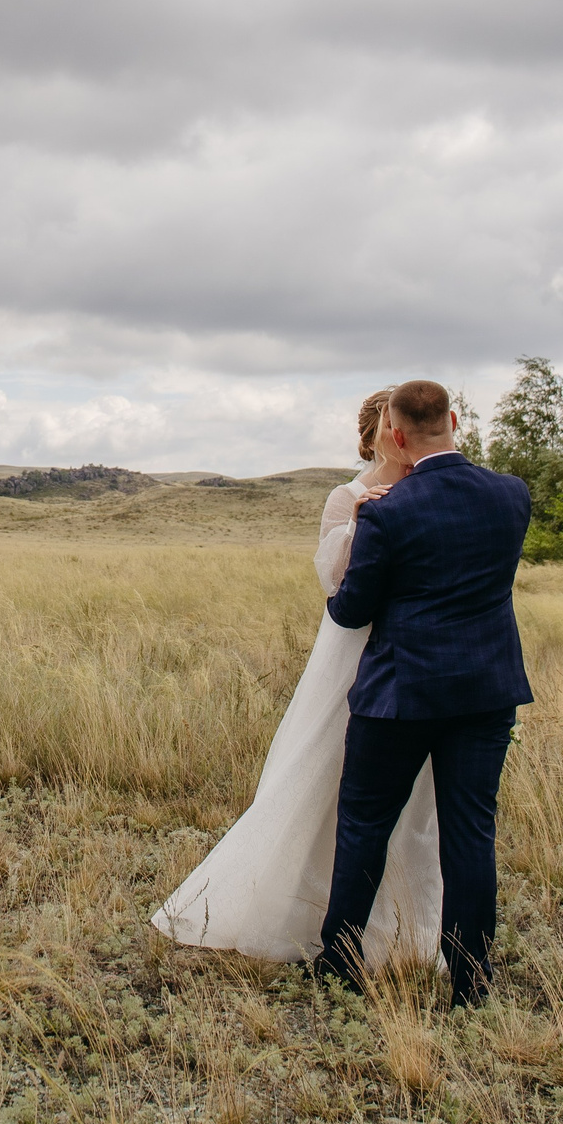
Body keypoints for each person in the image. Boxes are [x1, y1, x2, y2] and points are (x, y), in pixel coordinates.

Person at [148, 389, 445, 970]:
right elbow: (335, 584)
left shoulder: (434, 488)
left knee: (416, 801)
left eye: (400, 418)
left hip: (420, 660)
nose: (397, 428)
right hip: (355, 652)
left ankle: (405, 929)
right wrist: (362, 524)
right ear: (377, 433)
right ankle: (309, 913)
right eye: (388, 420)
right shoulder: (347, 496)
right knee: (327, 774)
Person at [317, 378, 532, 1006]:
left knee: (363, 825)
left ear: (399, 435)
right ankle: (471, 982)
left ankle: (340, 963)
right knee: (470, 835)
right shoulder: (511, 495)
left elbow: (350, 612)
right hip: (486, 694)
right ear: (455, 420)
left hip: (399, 697)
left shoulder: (387, 510)